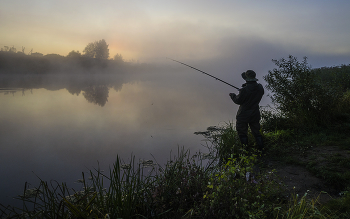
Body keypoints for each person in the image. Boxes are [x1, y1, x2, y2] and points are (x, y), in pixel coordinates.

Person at [229, 70, 264, 151]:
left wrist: (233, 95)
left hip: (243, 114)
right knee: (256, 132)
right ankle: (261, 149)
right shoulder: (260, 87)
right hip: (255, 113)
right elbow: (255, 92)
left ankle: (245, 150)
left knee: (242, 132)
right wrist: (244, 88)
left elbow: (238, 101)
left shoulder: (244, 90)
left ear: (247, 79)